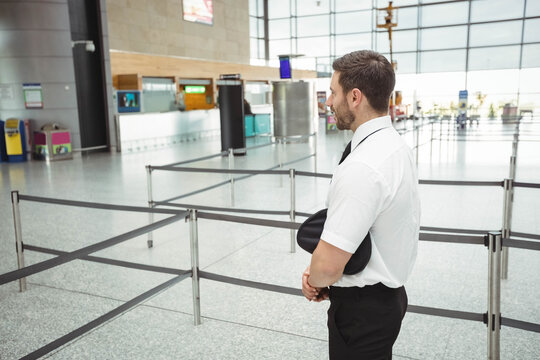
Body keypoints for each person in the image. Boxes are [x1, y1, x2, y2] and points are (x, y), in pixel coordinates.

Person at [301, 50, 420, 359]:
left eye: (333, 92)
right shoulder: (395, 147)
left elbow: (327, 266)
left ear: (355, 97)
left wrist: (315, 278)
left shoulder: (362, 166)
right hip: (388, 298)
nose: (328, 101)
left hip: (361, 312)